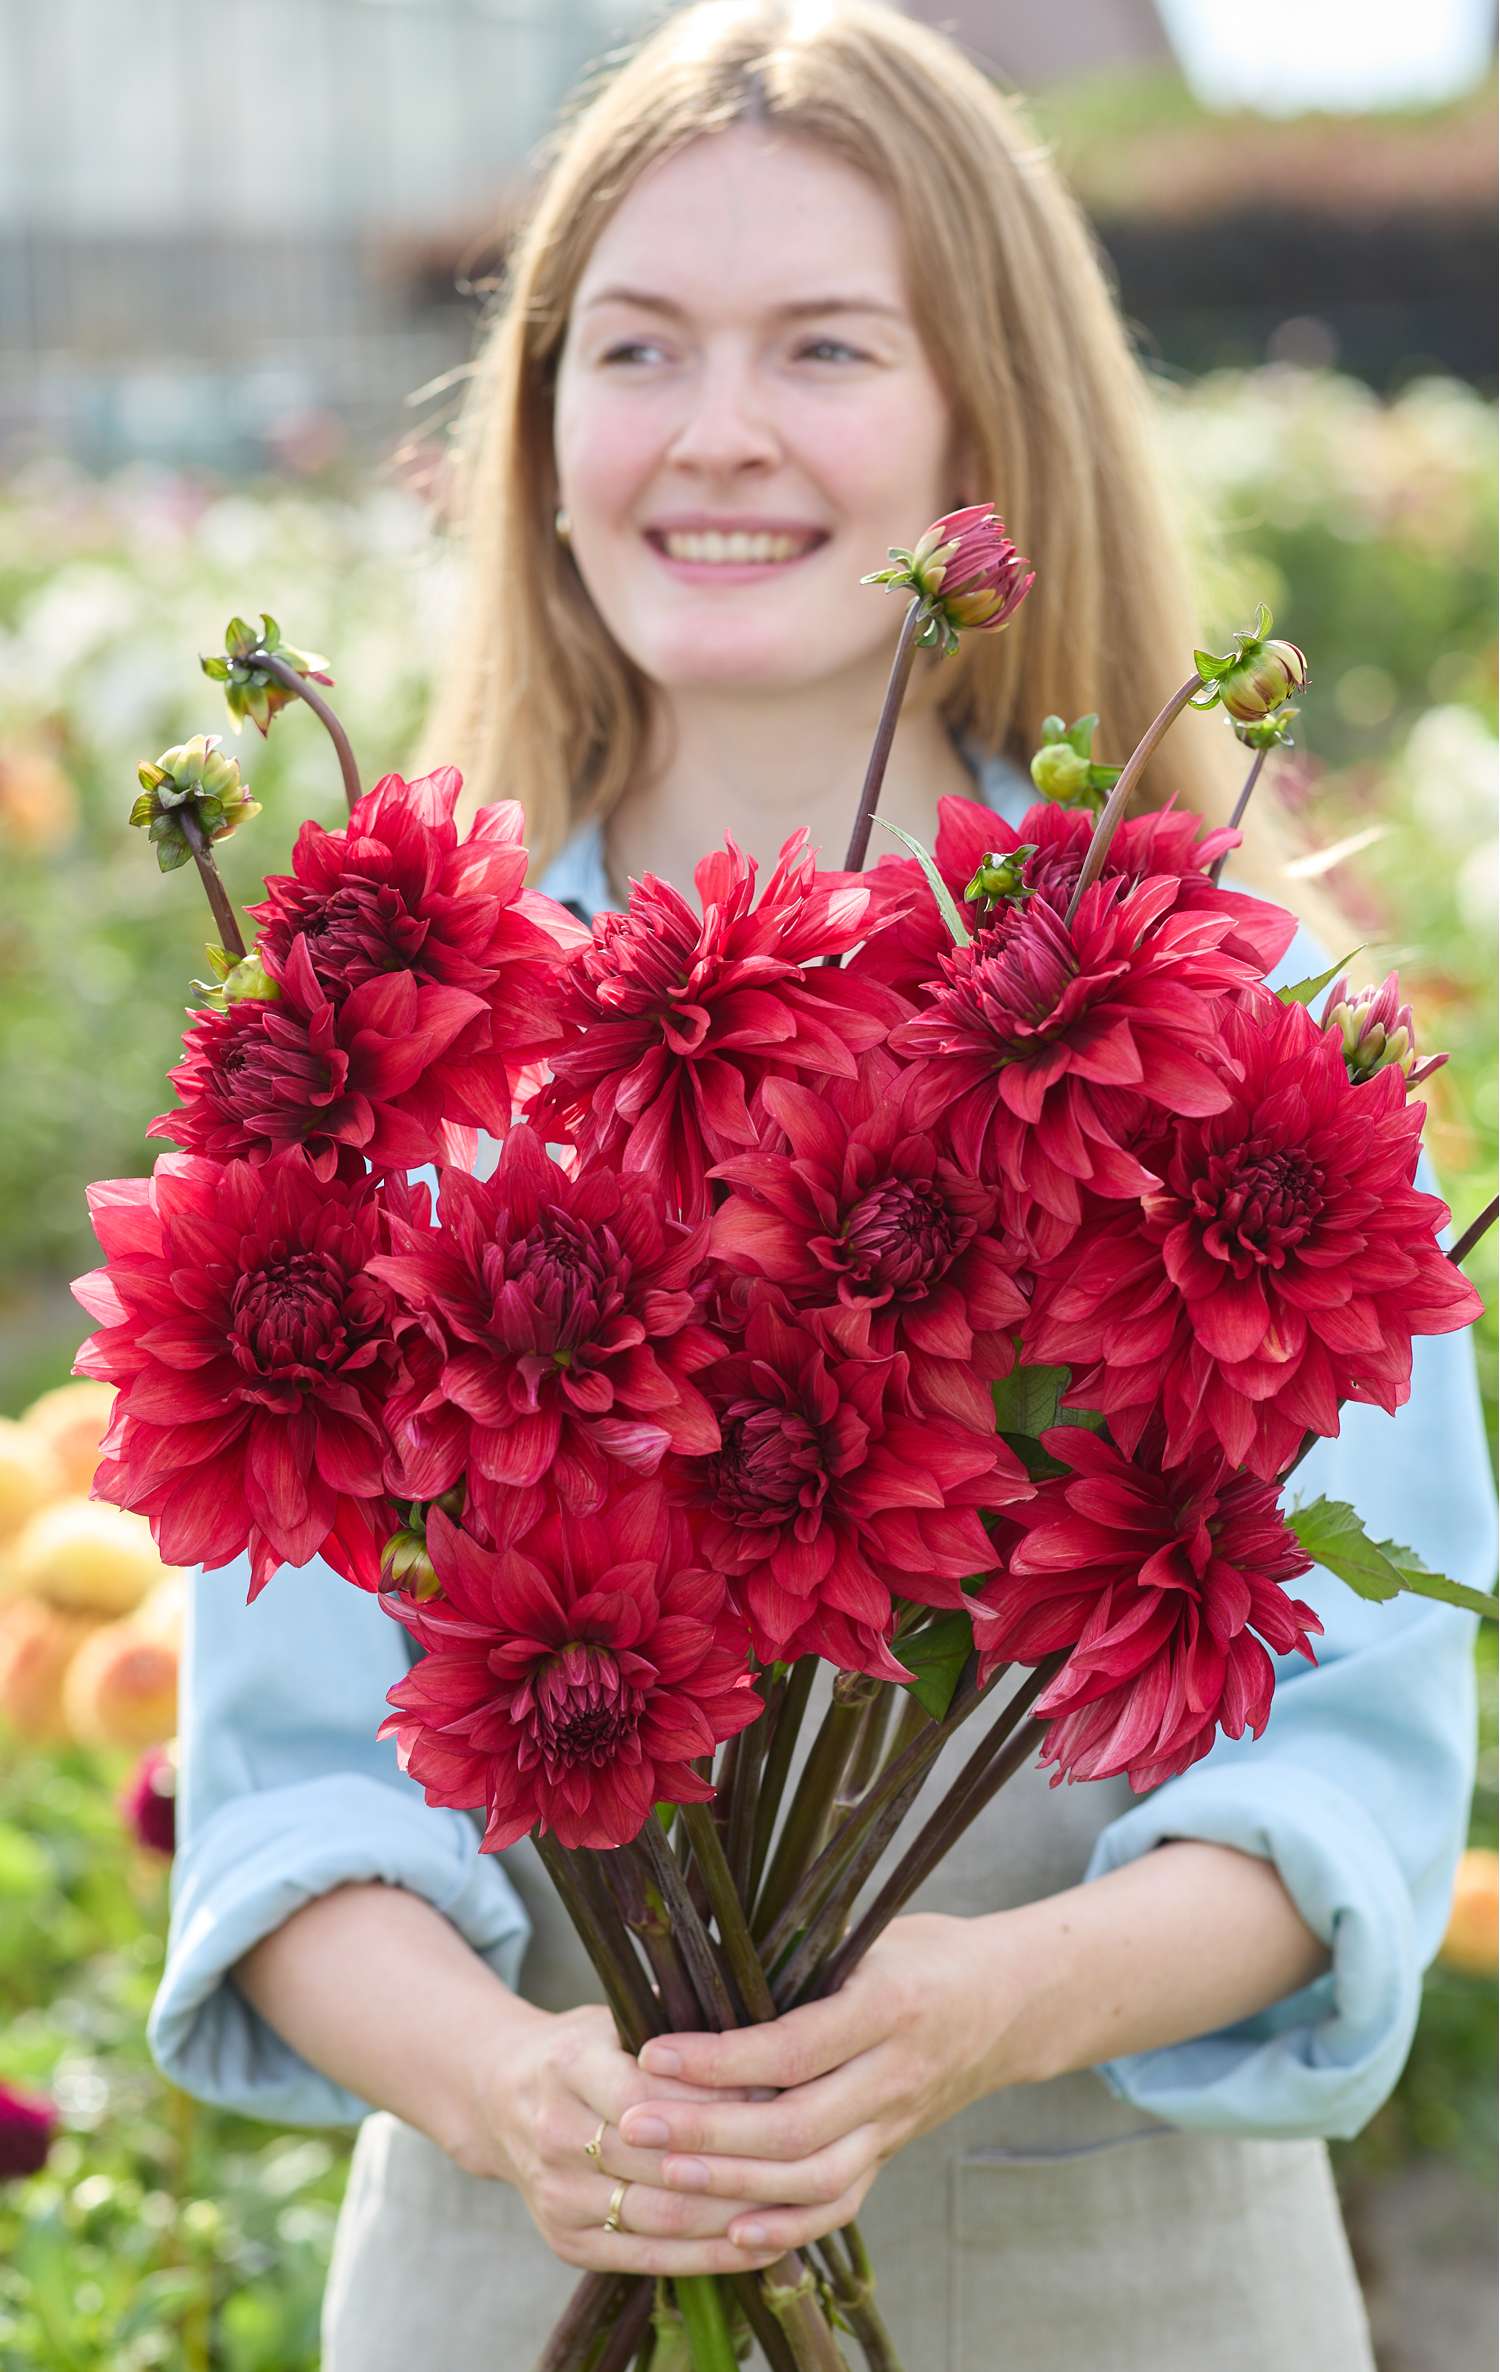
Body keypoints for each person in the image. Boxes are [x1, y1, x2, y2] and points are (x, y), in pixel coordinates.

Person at [148, 6, 1496, 2367]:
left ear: (995, 430)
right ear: (542, 430)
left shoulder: (1237, 1026)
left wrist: (999, 1995)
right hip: (508, 2255)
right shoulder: (366, 1043)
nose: (720, 432)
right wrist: (518, 2085)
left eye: (827, 347)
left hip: (1118, 2272)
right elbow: (279, 1788)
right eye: (637, 348)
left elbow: (1354, 1762)